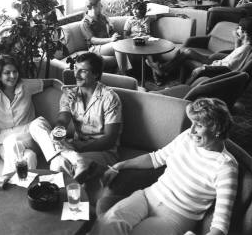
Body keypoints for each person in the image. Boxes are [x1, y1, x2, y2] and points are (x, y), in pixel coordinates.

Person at [91, 97, 238, 235]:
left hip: (176, 217)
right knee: (107, 224)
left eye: (199, 125)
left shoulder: (225, 167)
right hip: (148, 196)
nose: (192, 131)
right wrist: (120, 165)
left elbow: (221, 223)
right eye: (192, 123)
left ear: (217, 130)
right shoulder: (187, 137)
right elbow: (156, 158)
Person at [29, 52, 123, 182]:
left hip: (103, 152)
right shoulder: (70, 95)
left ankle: (61, 185)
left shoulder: (110, 98)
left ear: (95, 74)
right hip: (74, 149)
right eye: (75, 69)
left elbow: (109, 139)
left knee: (59, 162)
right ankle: (73, 165)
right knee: (36, 124)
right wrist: (58, 133)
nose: (76, 75)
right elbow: (62, 120)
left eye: (83, 71)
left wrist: (74, 148)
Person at [146, 17, 252, 85]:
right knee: (185, 54)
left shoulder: (246, 48)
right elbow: (235, 54)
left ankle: (163, 71)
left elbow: (231, 67)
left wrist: (205, 68)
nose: (237, 31)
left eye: (239, 29)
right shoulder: (249, 46)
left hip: (216, 67)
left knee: (186, 52)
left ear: (244, 32)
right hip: (217, 62)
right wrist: (236, 39)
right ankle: (167, 74)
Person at [80, 0, 131, 75]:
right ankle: (124, 76)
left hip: (107, 46)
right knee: (117, 46)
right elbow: (93, 40)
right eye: (100, 5)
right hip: (94, 48)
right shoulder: (85, 22)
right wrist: (110, 40)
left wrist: (113, 33)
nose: (102, 6)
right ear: (94, 7)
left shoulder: (102, 17)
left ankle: (120, 75)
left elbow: (110, 30)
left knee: (120, 52)